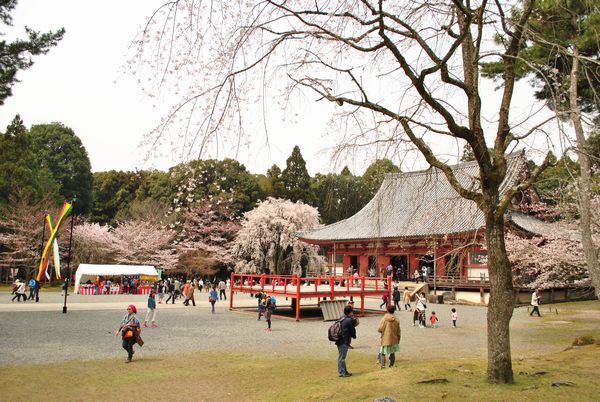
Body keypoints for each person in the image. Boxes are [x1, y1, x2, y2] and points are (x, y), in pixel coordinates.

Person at [336, 305, 356, 378]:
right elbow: (352, 331)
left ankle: (344, 371)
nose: (353, 313)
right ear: (350, 312)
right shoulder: (349, 320)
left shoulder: (341, 317)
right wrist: (354, 336)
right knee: (342, 357)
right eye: (352, 312)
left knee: (341, 356)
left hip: (339, 339)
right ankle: (342, 372)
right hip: (344, 341)